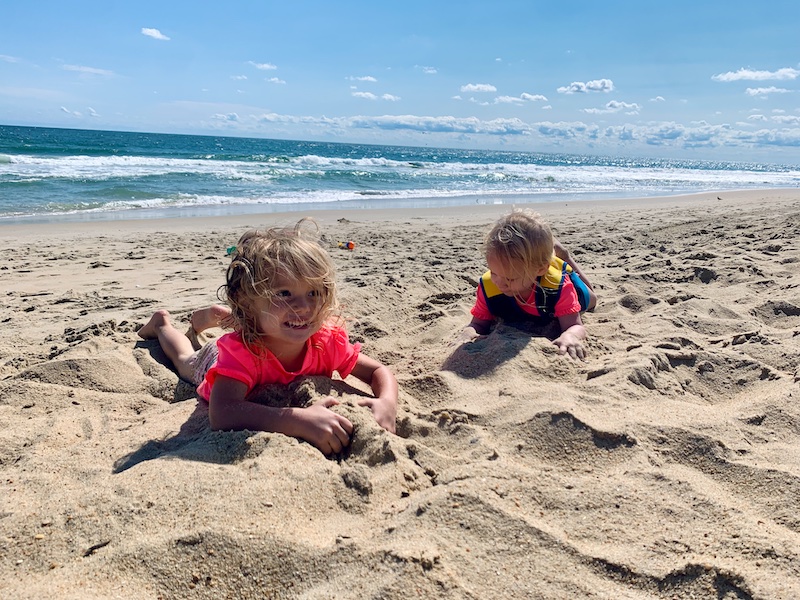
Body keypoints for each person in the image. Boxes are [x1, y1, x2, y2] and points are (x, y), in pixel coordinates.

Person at [138, 220, 398, 455]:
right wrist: (299, 420)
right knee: (186, 361)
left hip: (254, 323)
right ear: (246, 300)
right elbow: (223, 413)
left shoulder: (326, 341)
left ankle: (222, 318)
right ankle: (162, 325)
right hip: (218, 359)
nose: (304, 308)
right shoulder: (241, 355)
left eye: (314, 293)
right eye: (284, 293)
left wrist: (387, 402)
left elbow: (378, 371)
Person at [458, 210, 597, 359]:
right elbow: (478, 324)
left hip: (562, 288)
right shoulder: (489, 286)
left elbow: (575, 325)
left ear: (541, 269)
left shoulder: (559, 287)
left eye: (510, 279)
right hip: (539, 271)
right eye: (493, 272)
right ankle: (548, 255)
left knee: (592, 299)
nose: (499, 282)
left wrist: (570, 335)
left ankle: (563, 256)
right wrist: (469, 332)